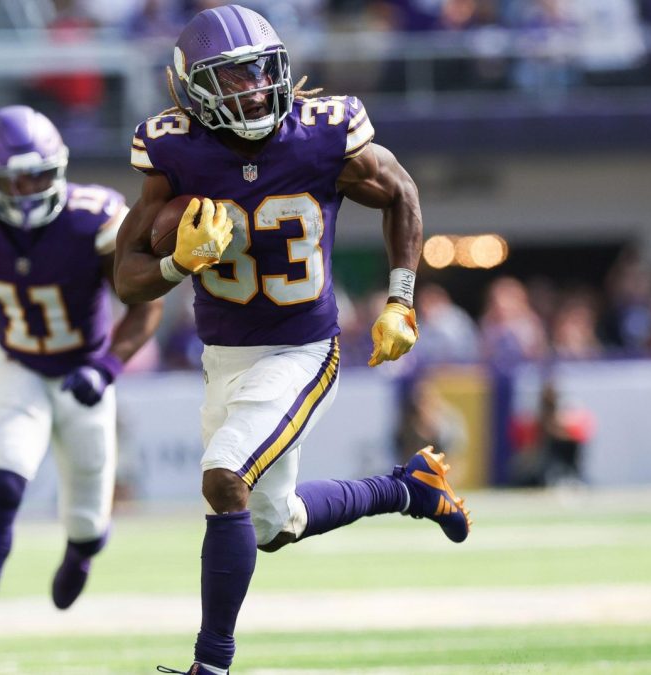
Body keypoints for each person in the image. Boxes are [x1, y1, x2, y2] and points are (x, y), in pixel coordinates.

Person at [113, 7, 472, 674]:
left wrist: (400, 296)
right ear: (191, 90)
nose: (252, 89)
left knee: (225, 477)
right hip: (224, 358)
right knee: (274, 525)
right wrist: (177, 263)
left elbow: (400, 191)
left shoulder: (320, 135)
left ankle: (210, 664)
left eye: (260, 72)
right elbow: (127, 277)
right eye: (233, 79)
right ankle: (412, 487)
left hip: (303, 350)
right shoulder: (176, 152)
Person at [0, 105, 163, 675]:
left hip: (84, 372)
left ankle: (82, 552)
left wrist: (107, 367)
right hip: (17, 365)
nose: (28, 190)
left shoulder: (94, 218)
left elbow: (145, 308)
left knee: (89, 524)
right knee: (4, 490)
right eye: (15, 179)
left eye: (39, 175)